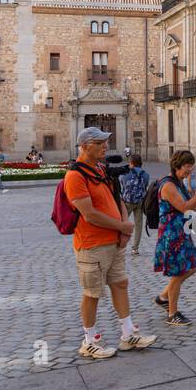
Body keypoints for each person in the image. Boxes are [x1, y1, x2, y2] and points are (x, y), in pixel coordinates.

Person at [64, 126, 156, 359]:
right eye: (100, 143)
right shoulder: (75, 176)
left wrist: (125, 227)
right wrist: (122, 227)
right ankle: (89, 341)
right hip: (92, 244)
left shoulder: (102, 171)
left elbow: (119, 200)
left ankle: (128, 334)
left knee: (120, 284)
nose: (105, 146)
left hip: (113, 242)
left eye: (106, 142)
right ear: (84, 146)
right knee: (92, 293)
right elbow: (89, 214)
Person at [154, 149, 196, 327]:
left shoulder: (178, 182)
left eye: (191, 166)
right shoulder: (168, 186)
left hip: (181, 232)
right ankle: (172, 313)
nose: (190, 170)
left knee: (191, 267)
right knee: (179, 272)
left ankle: (163, 297)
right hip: (172, 235)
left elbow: (192, 206)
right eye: (187, 167)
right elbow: (185, 207)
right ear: (177, 166)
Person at [118, 154, 150, 256]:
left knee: (121, 223)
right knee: (138, 225)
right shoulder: (145, 175)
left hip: (127, 202)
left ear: (131, 163)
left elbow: (122, 186)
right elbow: (145, 186)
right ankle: (135, 248)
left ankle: (118, 245)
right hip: (139, 202)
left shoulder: (124, 174)